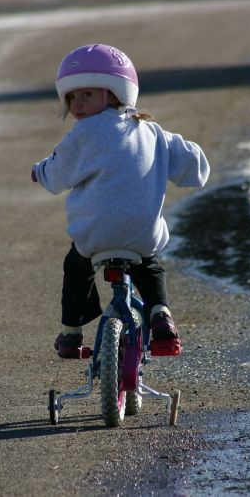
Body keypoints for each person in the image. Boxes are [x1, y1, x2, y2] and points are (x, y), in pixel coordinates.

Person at [31, 44, 210, 358]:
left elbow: (58, 173)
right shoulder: (153, 133)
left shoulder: (85, 134)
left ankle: (71, 334)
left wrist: (39, 171)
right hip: (143, 234)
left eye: (86, 94)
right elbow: (194, 167)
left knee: (77, 267)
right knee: (149, 266)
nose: (76, 104)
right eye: (71, 97)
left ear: (115, 93)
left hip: (95, 235)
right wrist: (196, 162)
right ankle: (161, 315)